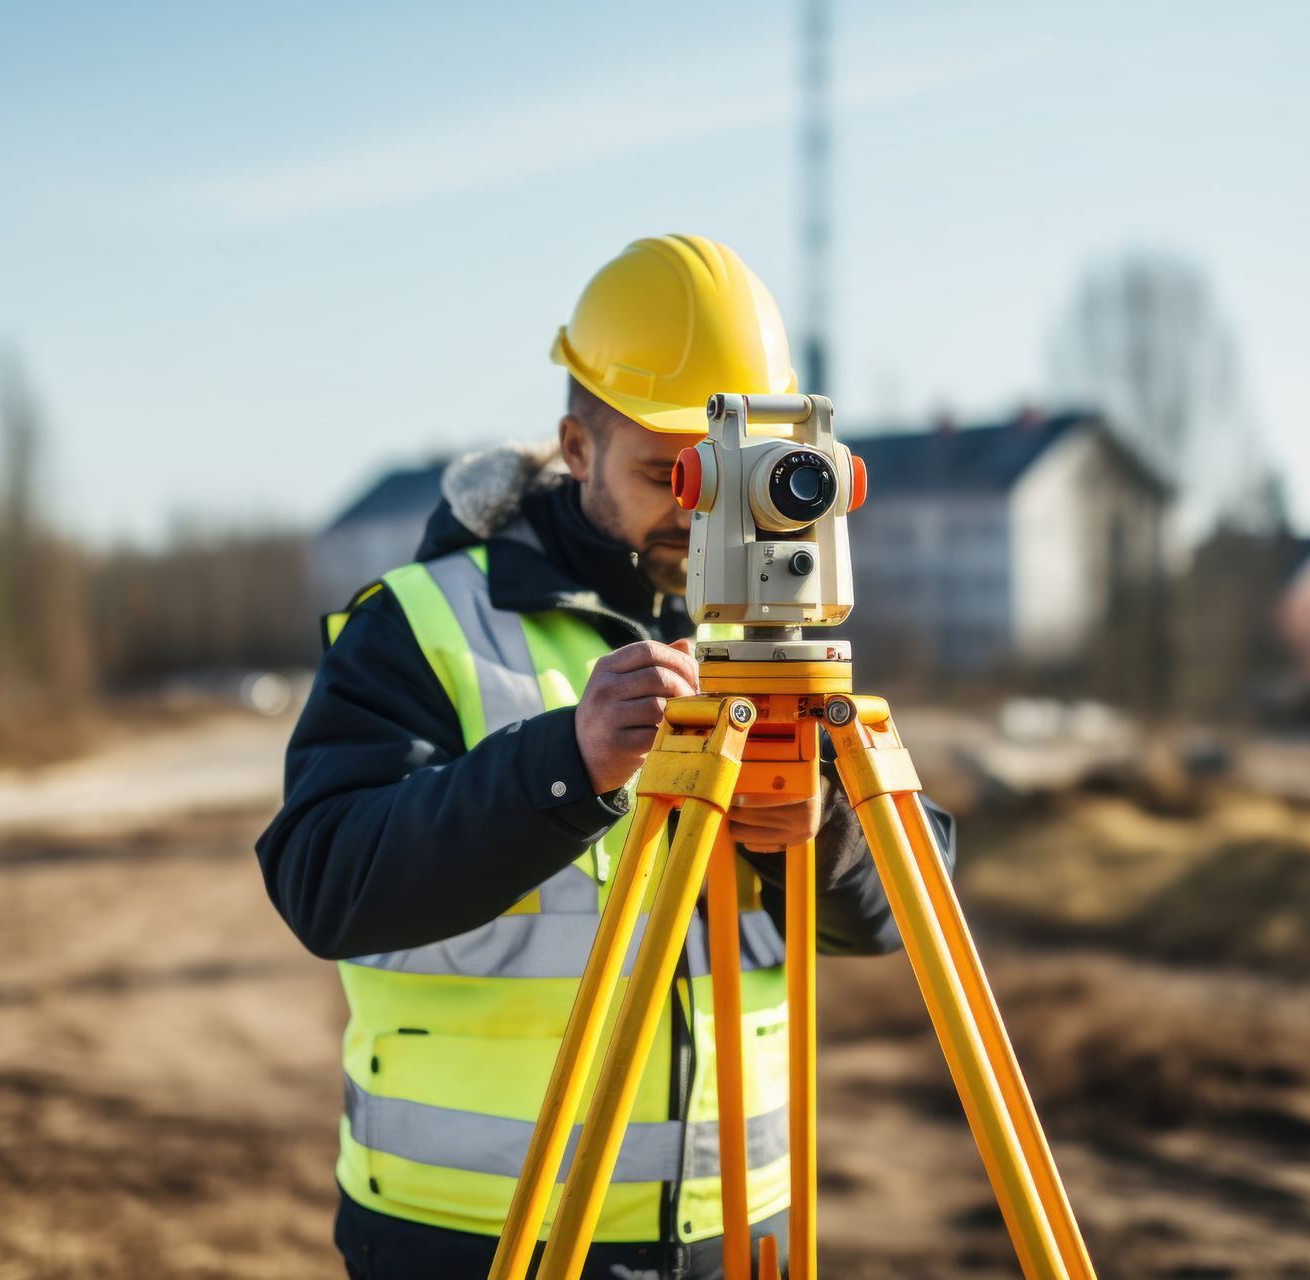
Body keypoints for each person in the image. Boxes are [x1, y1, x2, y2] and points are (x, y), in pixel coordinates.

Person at [256, 234, 954, 1280]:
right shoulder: (425, 623)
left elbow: (914, 908)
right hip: (481, 1234)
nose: (700, 506)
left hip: (742, 1231)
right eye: (668, 469)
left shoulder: (777, 639)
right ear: (575, 447)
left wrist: (827, 830)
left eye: (726, 471)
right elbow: (324, 880)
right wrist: (561, 765)